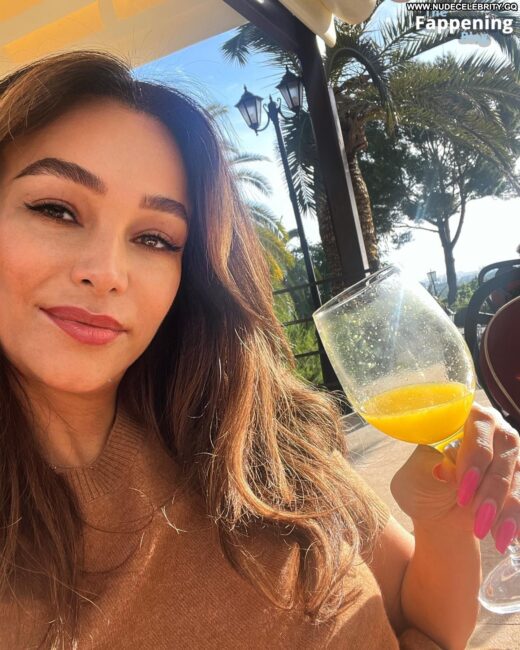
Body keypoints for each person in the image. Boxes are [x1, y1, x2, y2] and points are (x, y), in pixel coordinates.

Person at [0, 50, 517, 650]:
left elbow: (424, 627)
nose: (107, 272)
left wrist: (444, 521)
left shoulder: (253, 430)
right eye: (55, 209)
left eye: (155, 238)